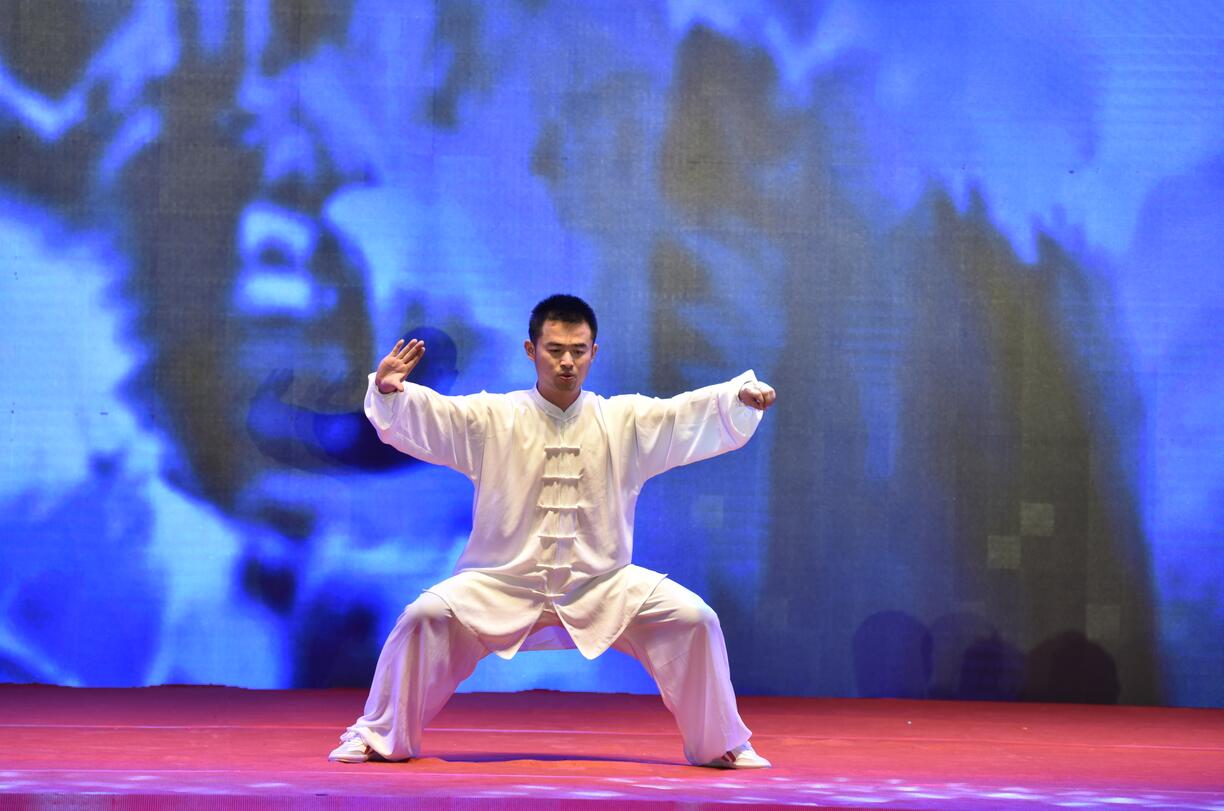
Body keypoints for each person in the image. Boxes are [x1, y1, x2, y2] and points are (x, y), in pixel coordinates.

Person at [328, 294, 777, 768]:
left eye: (578, 351)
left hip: (602, 583)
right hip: (502, 581)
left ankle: (720, 742)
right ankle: (379, 735)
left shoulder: (624, 420)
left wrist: (736, 398)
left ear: (593, 353)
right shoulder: (494, 416)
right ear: (531, 350)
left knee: (694, 619)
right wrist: (391, 393)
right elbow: (439, 415)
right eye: (555, 350)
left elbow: (682, 413)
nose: (567, 362)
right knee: (423, 617)